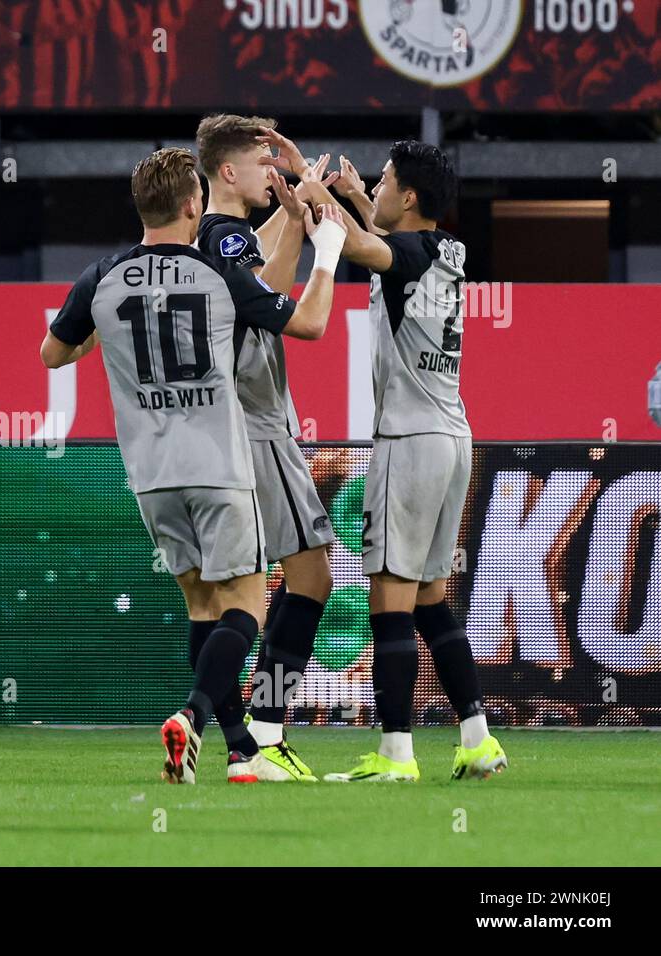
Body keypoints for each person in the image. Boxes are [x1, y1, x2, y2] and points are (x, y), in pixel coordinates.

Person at [40, 147, 347, 784]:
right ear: (193, 204)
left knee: (201, 609)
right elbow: (311, 322)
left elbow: (52, 353)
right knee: (245, 608)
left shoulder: (99, 277)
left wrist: (113, 332)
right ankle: (193, 714)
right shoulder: (218, 274)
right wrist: (331, 250)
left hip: (150, 474)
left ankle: (240, 751)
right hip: (219, 462)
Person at [321, 141, 508, 782]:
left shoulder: (400, 254)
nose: (374, 185)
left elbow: (360, 247)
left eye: (384, 180)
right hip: (455, 435)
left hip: (408, 440)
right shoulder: (446, 250)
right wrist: (350, 197)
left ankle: (396, 753)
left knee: (390, 602)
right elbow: (386, 243)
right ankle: (478, 738)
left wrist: (313, 191)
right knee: (431, 600)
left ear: (408, 197)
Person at [194, 115, 339, 780]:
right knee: (307, 579)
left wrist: (300, 192)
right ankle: (261, 731)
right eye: (260, 163)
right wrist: (313, 216)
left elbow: (261, 273)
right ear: (228, 172)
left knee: (228, 598)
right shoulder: (221, 236)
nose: (270, 173)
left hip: (236, 427)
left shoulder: (223, 237)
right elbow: (277, 297)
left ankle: (241, 736)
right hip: (256, 427)